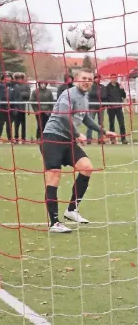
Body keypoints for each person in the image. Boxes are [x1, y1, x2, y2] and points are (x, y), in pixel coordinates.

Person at [41, 68, 116, 233]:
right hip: (52, 138)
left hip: (68, 140)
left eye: (90, 79)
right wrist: (77, 133)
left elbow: (86, 118)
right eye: (84, 78)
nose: (86, 81)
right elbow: (62, 115)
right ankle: (54, 223)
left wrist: (103, 131)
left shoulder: (84, 97)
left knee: (86, 167)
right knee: (54, 175)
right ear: (76, 79)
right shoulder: (69, 94)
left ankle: (71, 210)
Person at [106, 73, 128, 144]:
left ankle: (123, 138)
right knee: (111, 124)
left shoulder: (119, 86)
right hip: (111, 108)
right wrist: (108, 105)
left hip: (119, 107)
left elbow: (124, 96)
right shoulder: (107, 87)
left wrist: (122, 89)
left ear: (116, 78)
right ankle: (112, 139)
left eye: (115, 78)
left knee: (121, 123)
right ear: (110, 78)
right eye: (112, 78)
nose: (113, 79)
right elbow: (105, 97)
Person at [86, 74, 108, 144]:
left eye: (99, 78)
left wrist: (98, 94)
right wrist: (98, 93)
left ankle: (100, 139)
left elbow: (104, 95)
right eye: (96, 78)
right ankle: (89, 138)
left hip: (101, 107)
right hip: (92, 106)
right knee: (90, 122)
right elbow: (90, 94)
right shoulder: (91, 86)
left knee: (101, 123)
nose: (97, 79)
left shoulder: (103, 87)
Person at [0, 72, 14, 144]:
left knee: (9, 125)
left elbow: (15, 97)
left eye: (9, 77)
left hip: (10, 109)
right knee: (0, 124)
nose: (8, 79)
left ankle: (10, 139)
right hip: (1, 108)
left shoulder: (13, 87)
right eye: (6, 77)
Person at [13, 72, 30, 144]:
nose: (19, 80)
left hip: (23, 108)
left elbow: (28, 95)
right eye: (18, 78)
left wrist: (22, 94)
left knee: (24, 124)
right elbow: (12, 97)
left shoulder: (26, 86)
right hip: (16, 108)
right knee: (16, 124)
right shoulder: (14, 86)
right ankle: (16, 138)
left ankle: (23, 138)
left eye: (21, 78)